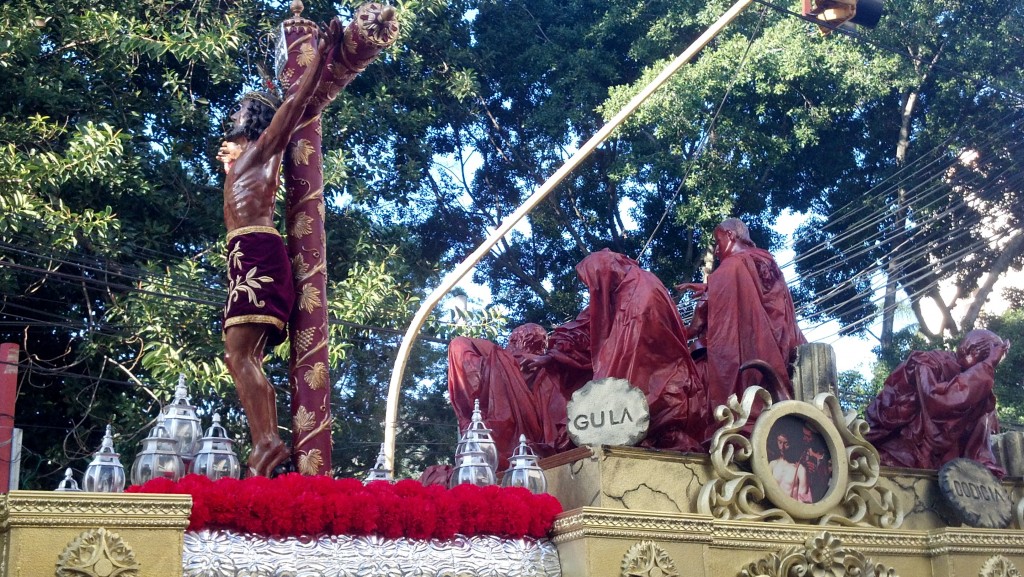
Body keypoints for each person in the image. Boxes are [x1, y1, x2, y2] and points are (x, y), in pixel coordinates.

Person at [217, 38, 327, 477]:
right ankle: (264, 436)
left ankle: (267, 439)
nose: (232, 120)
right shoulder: (243, 164)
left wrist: (320, 61)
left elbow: (294, 107)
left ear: (255, 124)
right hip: (244, 255)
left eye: (240, 112)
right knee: (241, 357)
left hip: (259, 253)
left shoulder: (264, 151)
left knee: (239, 355)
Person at [677, 218, 806, 433]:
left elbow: (699, 320)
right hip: (780, 361)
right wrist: (708, 287)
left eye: (718, 242)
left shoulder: (731, 267)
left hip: (745, 375)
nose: (717, 250)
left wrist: (679, 331)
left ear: (730, 236)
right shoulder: (766, 262)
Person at [575, 249, 707, 452]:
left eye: (592, 283)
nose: (596, 290)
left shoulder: (637, 294)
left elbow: (631, 357)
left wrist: (604, 391)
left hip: (661, 389)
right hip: (668, 382)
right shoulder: (640, 283)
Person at [864, 329, 1010, 477]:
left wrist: (983, 463)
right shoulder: (927, 362)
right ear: (971, 351)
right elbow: (938, 401)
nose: (986, 367)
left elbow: (979, 437)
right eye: (984, 359)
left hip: (944, 462)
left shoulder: (979, 389)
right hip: (905, 450)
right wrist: (986, 365)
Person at [769, 429, 813, 503]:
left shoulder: (800, 469)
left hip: (788, 511)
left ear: (792, 443)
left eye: (786, 443)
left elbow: (801, 501)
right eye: (779, 442)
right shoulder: (773, 464)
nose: (782, 447)